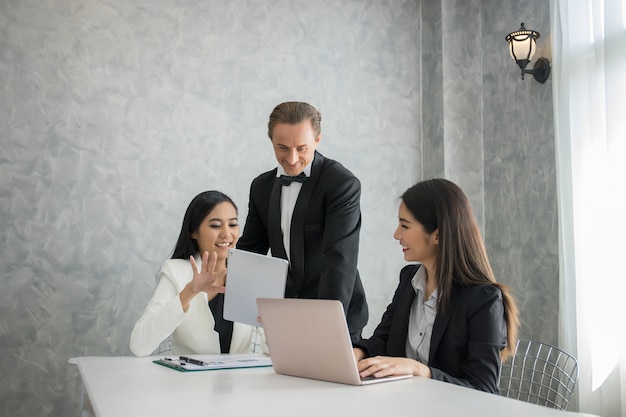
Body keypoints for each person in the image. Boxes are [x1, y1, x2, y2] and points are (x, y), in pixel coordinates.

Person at [353, 179, 519, 393]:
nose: (397, 234)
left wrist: (420, 371)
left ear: (437, 235)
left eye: (404, 225)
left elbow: (483, 388)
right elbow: (383, 339)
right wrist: (357, 353)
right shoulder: (408, 279)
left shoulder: (483, 300)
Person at [237, 101, 368, 342]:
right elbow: (250, 252)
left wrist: (324, 323)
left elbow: (340, 262)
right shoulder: (261, 187)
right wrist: (245, 304)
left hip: (333, 315)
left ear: (318, 140)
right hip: (284, 315)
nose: (292, 158)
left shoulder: (341, 184)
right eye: (282, 148)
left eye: (302, 148)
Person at [130, 191, 257, 356]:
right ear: (193, 232)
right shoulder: (175, 271)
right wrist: (190, 292)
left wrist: (271, 323)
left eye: (232, 224)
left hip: (240, 380)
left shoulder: (248, 275)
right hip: (191, 381)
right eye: (215, 225)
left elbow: (274, 351)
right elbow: (139, 346)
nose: (227, 234)